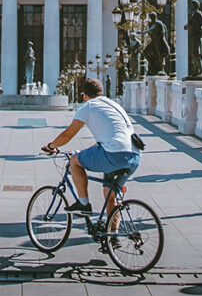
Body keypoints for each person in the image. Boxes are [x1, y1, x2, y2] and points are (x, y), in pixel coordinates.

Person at [42, 78, 141, 217]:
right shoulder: (114, 105)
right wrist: (81, 152)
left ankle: (83, 204)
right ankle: (113, 236)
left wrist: (51, 146)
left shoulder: (89, 106)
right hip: (134, 156)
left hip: (114, 155)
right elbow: (107, 141)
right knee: (110, 195)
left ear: (84, 95)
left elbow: (68, 135)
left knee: (75, 162)